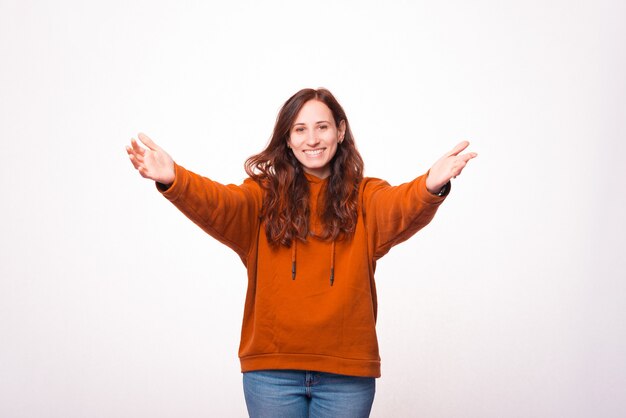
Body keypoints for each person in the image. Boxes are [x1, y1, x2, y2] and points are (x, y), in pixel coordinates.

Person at [126, 88, 477, 418]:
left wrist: (430, 184)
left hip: (346, 375)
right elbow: (220, 204)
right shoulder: (260, 197)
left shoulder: (366, 198)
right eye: (300, 129)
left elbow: (398, 205)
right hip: (271, 374)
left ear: (340, 131)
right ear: (288, 138)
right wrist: (175, 179)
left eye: (322, 127)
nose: (312, 139)